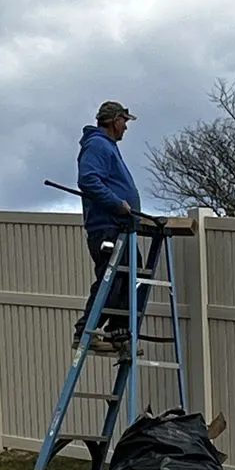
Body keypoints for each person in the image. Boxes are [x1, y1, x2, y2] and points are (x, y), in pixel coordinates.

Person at [71, 101, 144, 353]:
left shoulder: (107, 146)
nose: (126, 127)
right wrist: (116, 203)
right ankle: (85, 332)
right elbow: (88, 180)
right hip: (107, 227)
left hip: (120, 226)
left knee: (130, 277)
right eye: (125, 121)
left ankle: (118, 332)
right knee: (111, 279)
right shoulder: (98, 145)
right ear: (115, 120)